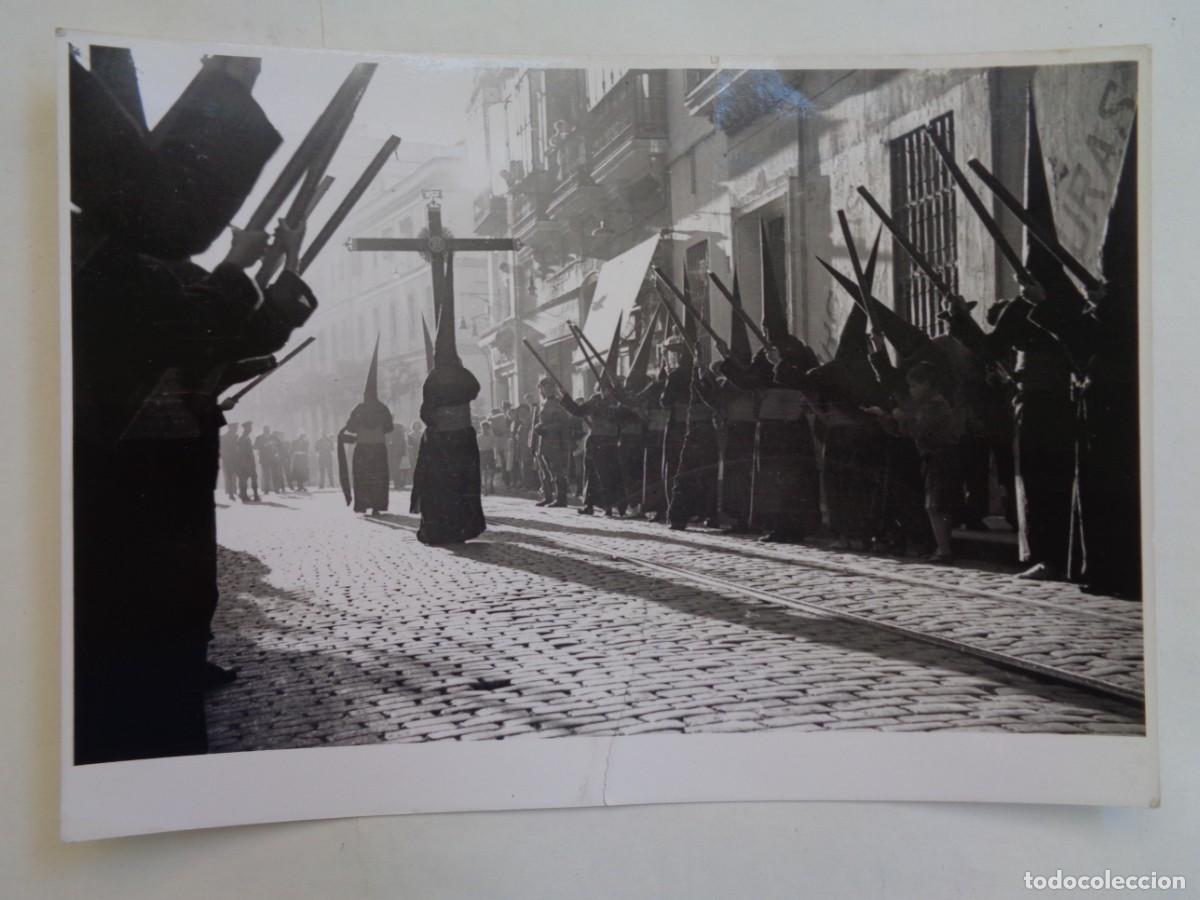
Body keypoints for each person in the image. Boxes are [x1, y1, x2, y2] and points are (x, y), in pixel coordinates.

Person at [410, 252, 486, 545]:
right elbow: (475, 390)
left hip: (441, 440)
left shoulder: (432, 378)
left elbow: (426, 411)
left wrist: (437, 419)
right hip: (463, 439)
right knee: (463, 485)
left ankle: (441, 529)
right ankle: (463, 527)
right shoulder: (463, 373)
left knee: (439, 486)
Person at [561, 379, 633, 516]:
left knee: (612, 475)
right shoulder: (596, 401)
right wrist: (565, 396)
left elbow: (626, 417)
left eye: (608, 389)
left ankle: (614, 506)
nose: (604, 392)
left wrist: (619, 404)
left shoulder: (619, 402)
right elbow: (578, 411)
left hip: (612, 443)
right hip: (596, 442)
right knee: (592, 475)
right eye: (602, 389)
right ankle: (590, 505)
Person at [339, 341, 394, 515]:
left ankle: (363, 504)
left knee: (362, 478)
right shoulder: (382, 408)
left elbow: (350, 427)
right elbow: (389, 428)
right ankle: (377, 505)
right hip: (378, 447)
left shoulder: (359, 408)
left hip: (362, 448)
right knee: (378, 478)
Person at [532, 377, 571, 507]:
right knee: (545, 471)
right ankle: (548, 496)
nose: (548, 389)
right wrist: (538, 426)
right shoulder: (543, 403)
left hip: (556, 441)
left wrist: (546, 427)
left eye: (550, 387)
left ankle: (561, 498)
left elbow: (564, 422)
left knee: (557, 470)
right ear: (541, 389)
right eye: (545, 387)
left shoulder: (558, 403)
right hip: (543, 441)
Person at [236, 422, 260, 502]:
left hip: (248, 462)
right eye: (250, 427)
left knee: (248, 478)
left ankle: (247, 495)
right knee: (248, 478)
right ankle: (248, 496)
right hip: (246, 463)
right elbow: (241, 452)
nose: (251, 429)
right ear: (246, 428)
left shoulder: (245, 437)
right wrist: (245, 463)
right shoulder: (243, 438)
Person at [219, 422, 239, 500]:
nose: (236, 430)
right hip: (228, 459)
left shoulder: (235, 437)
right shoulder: (224, 437)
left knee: (233, 476)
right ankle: (230, 492)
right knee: (229, 476)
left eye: (236, 428)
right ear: (231, 428)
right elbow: (222, 449)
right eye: (235, 428)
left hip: (234, 459)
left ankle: (233, 491)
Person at [389, 422, 411, 489]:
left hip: (397, 455)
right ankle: (399, 483)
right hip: (397, 455)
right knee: (399, 470)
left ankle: (398, 483)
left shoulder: (396, 437)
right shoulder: (398, 437)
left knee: (397, 470)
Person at [478, 421, 497, 494]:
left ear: (488, 428)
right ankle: (485, 487)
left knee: (492, 469)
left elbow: (495, 446)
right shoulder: (479, 437)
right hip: (482, 452)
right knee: (484, 470)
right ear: (481, 428)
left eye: (486, 428)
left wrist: (495, 457)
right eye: (483, 428)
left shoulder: (492, 437)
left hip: (490, 452)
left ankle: (491, 483)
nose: (484, 430)